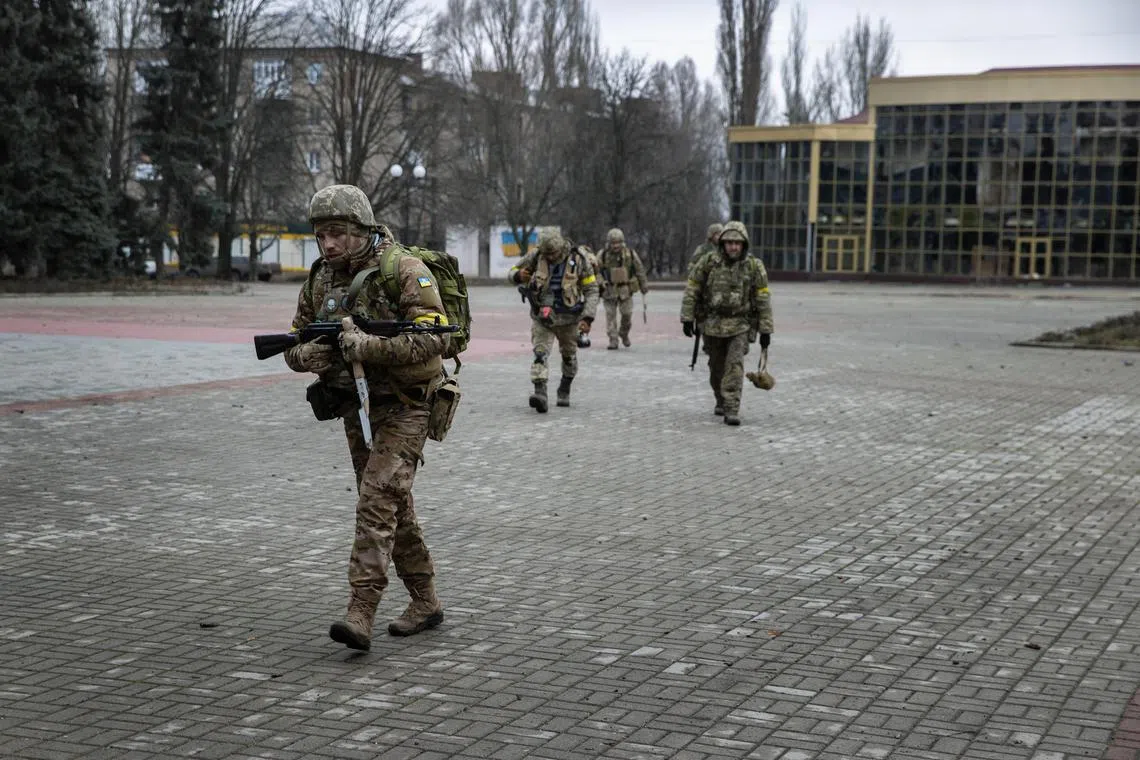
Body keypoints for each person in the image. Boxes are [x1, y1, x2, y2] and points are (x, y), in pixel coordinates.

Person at [282, 184, 449, 651]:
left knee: (376, 504)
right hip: (357, 407)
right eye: (321, 235)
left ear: (363, 229)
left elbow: (438, 341)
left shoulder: (405, 272)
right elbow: (294, 343)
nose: (329, 244)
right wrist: (306, 356)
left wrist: (370, 347)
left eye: (337, 233)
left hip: (409, 405)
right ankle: (426, 601)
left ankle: (361, 610)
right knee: (392, 503)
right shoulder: (320, 280)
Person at [680, 221, 773, 426]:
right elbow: (693, 288)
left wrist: (766, 329)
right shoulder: (708, 262)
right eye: (729, 242)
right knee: (716, 367)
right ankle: (720, 400)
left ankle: (732, 408)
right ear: (722, 243)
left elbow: (762, 297)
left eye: (737, 243)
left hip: (740, 324)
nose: (733, 247)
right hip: (712, 324)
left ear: (744, 245)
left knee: (734, 366)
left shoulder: (753, 266)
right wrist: (687, 317)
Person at [508, 233, 600, 411]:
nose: (549, 257)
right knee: (540, 353)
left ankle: (564, 389)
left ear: (561, 248)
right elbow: (511, 272)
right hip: (543, 318)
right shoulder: (536, 255)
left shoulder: (579, 259)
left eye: (553, 254)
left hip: (570, 319)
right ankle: (540, 393)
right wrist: (518, 276)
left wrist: (587, 318)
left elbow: (591, 289)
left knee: (569, 357)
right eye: (546, 254)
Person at [596, 227, 648, 350]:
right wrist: (600, 281)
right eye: (613, 243)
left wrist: (643, 286)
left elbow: (639, 269)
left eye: (618, 242)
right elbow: (594, 271)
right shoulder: (602, 255)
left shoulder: (629, 253)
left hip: (626, 289)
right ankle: (613, 339)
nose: (615, 246)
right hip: (609, 290)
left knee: (627, 315)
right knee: (610, 317)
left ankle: (624, 333)